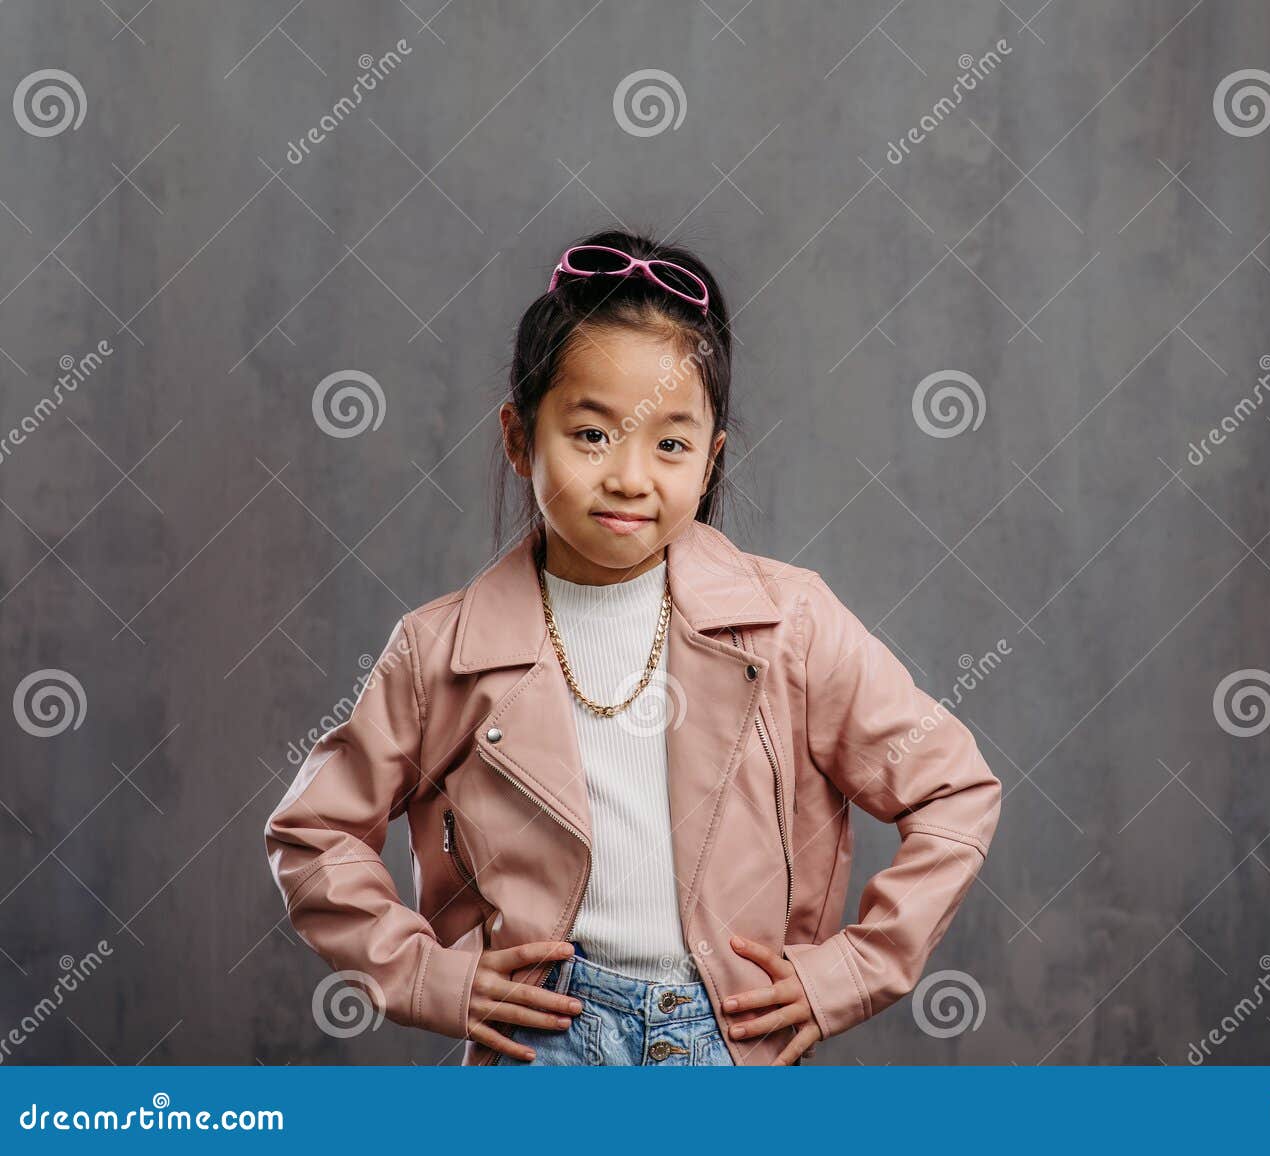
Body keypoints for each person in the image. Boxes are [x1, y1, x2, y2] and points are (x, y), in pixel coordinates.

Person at [263, 227, 1002, 1066]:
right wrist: (434, 978)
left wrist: (851, 972)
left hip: (731, 1043)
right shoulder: (441, 652)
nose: (629, 476)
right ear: (517, 437)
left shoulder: (789, 624)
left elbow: (954, 791)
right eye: (590, 435)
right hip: (538, 1045)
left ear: (711, 459)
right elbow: (313, 834)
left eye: (672, 444)